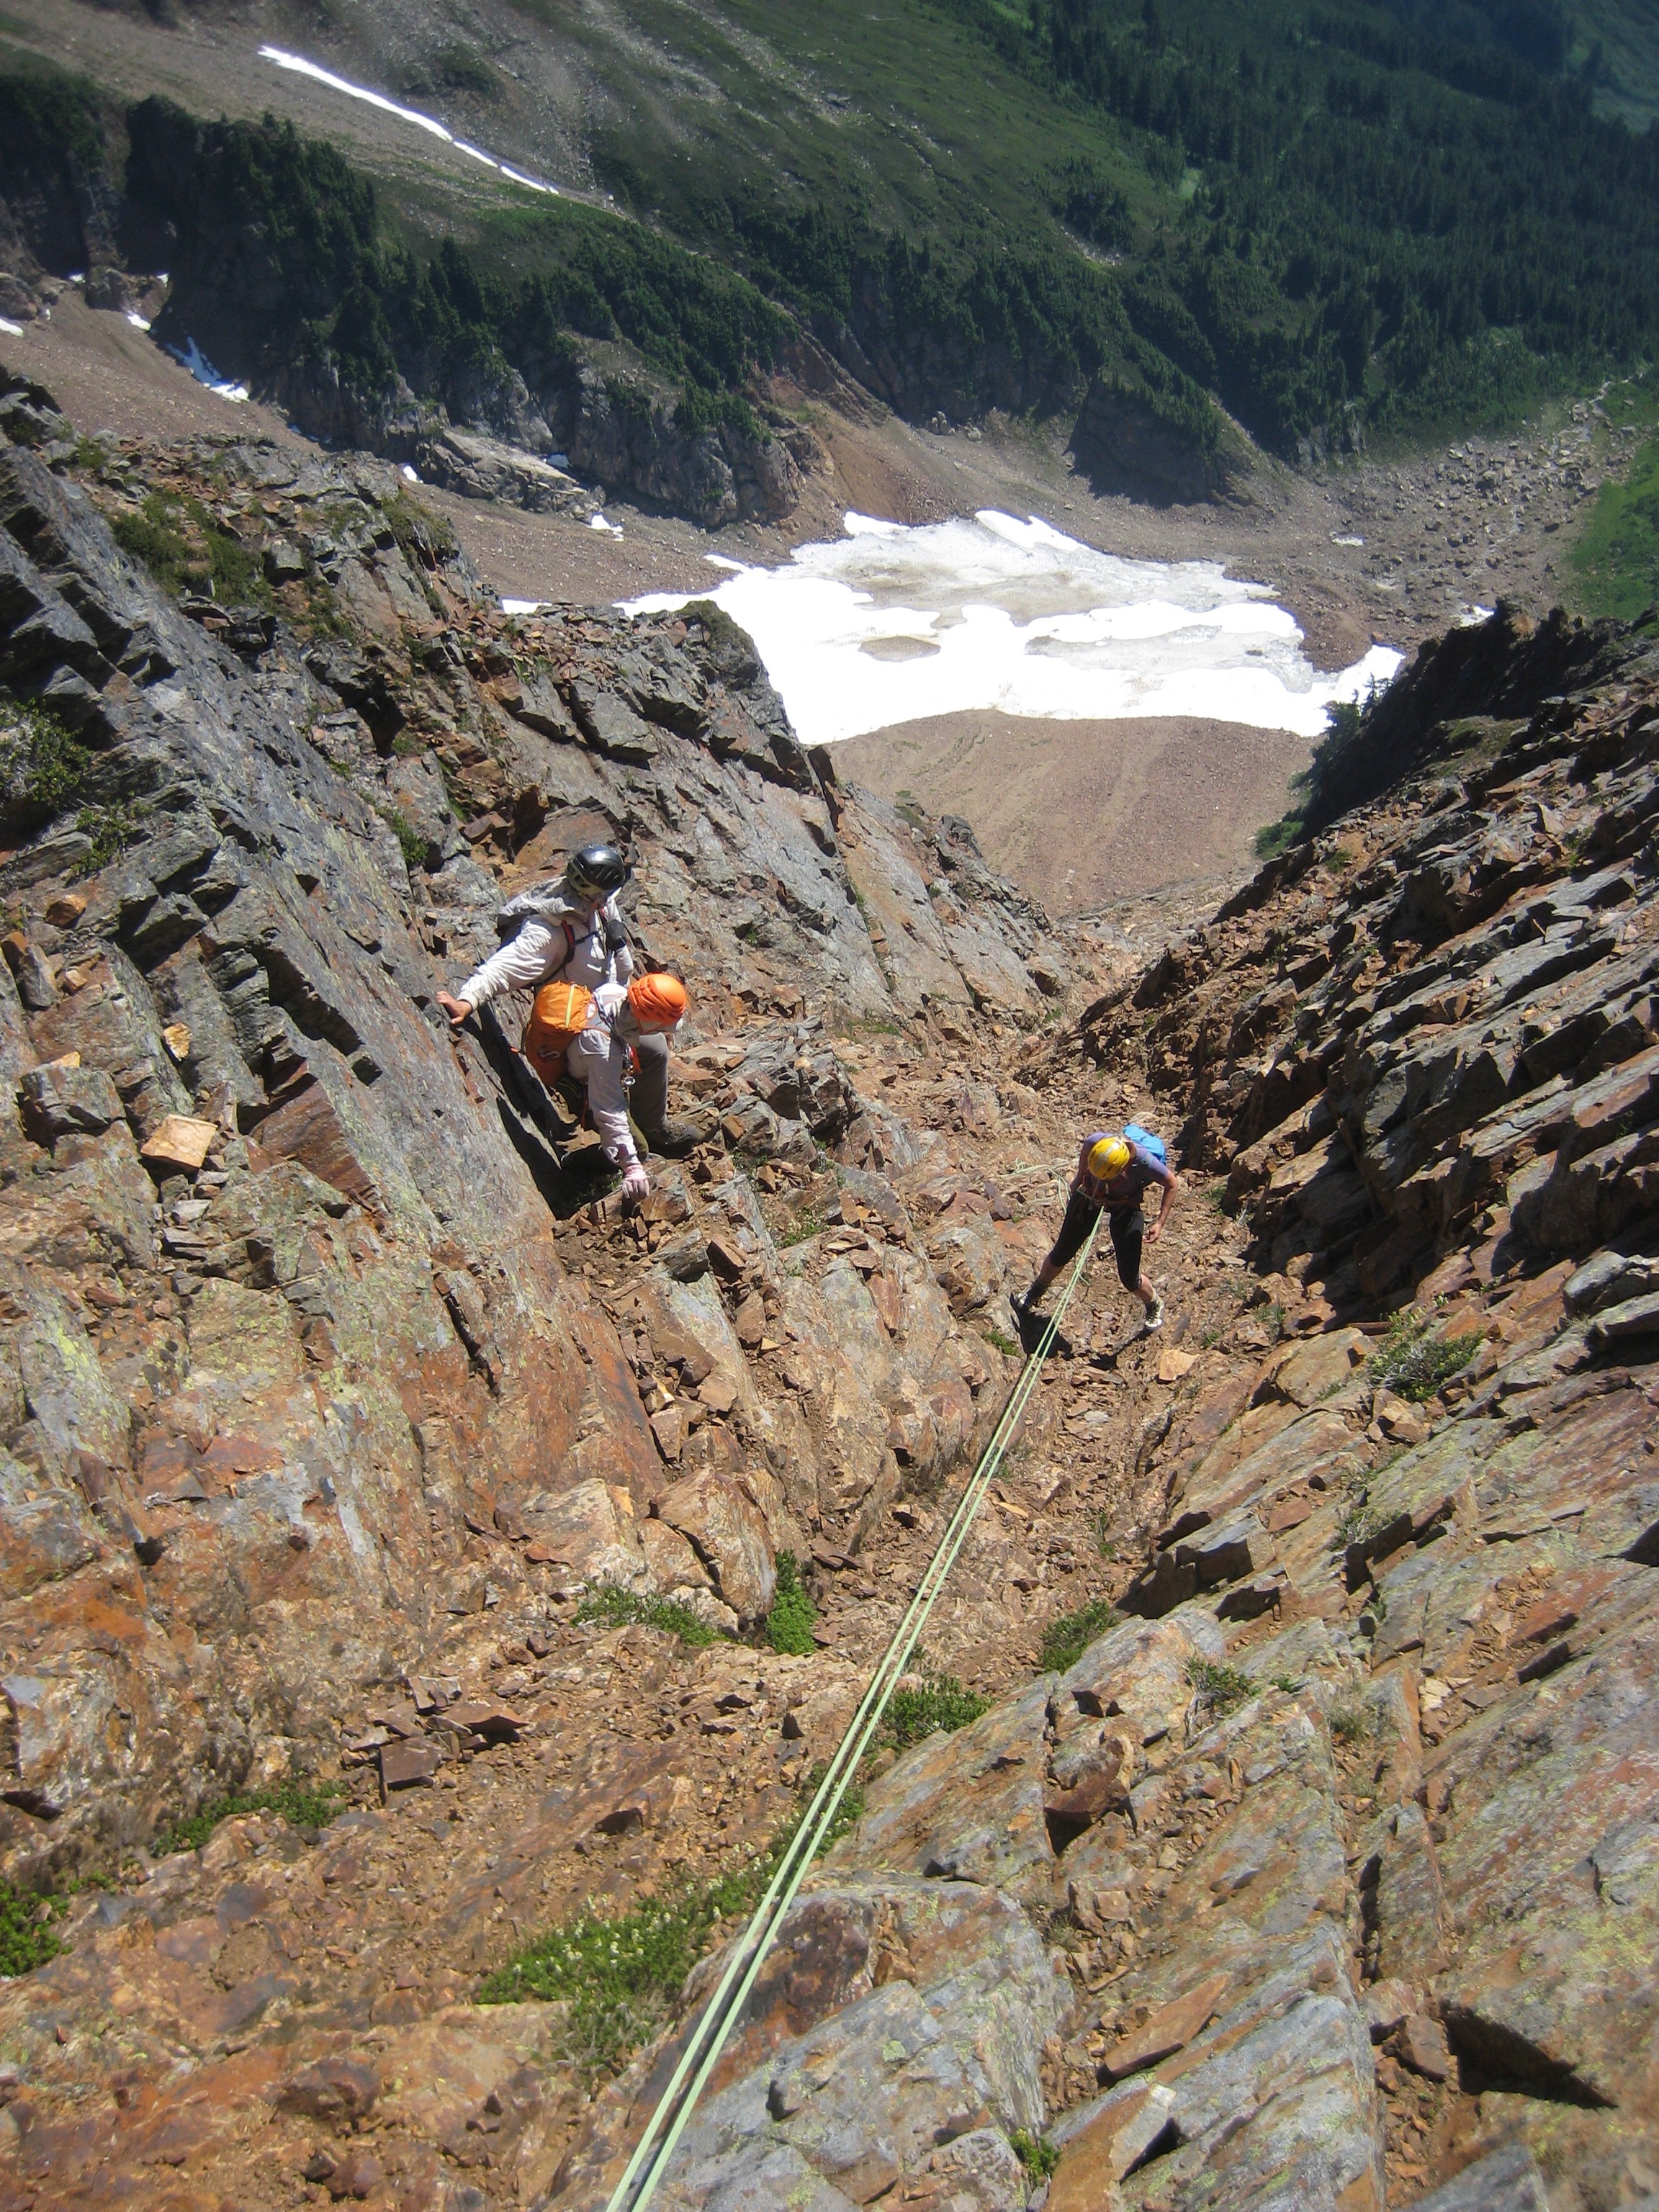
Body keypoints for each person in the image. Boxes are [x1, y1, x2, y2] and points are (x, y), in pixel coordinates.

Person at [436, 842, 698, 1154]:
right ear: (592, 891)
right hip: (579, 1030)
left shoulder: (598, 903)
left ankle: (653, 1127)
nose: (610, 898)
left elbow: (614, 941)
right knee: (614, 1100)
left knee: (654, 1050)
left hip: (613, 1007)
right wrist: (468, 999)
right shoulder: (549, 931)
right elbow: (506, 966)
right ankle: (603, 1153)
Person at [1017, 1130, 1178, 1334]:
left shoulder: (1143, 1162)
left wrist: (1160, 1223)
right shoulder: (1096, 1142)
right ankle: (1037, 1289)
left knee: (1129, 1277)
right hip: (1091, 1194)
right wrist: (1078, 1178)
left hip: (1125, 1205)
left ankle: (1153, 1302)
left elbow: (1172, 1184)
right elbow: (1085, 1150)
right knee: (1061, 1253)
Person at [567, 971, 689, 1201]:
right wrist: (632, 1166)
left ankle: (651, 1125)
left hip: (598, 1061)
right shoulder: (604, 1053)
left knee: (655, 1048)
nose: (661, 1031)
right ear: (649, 1021)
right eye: (660, 1027)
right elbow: (609, 1112)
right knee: (638, 1148)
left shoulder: (617, 994)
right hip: (585, 1083)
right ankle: (574, 1164)